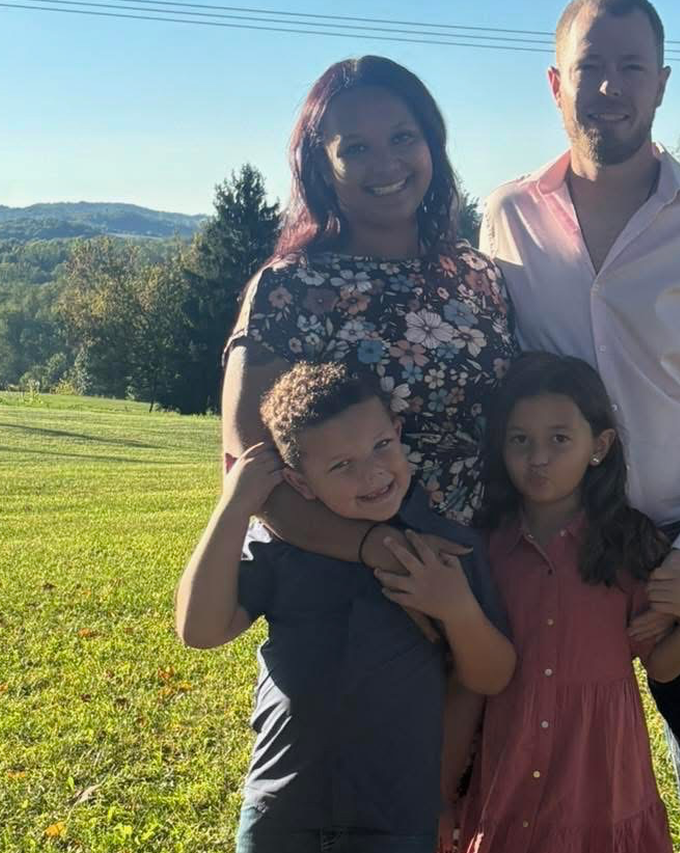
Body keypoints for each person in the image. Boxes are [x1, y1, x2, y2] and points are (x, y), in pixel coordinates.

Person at [479, 0, 680, 853]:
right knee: (546, 790)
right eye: (590, 68)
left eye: (630, 67)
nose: (609, 87)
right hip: (558, 554)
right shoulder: (508, 216)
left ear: (662, 83)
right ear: (555, 83)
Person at [176, 362, 515, 852]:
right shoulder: (282, 545)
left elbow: (491, 677)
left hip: (396, 817)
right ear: (300, 484)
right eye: (341, 465)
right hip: (282, 807)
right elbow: (200, 630)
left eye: (381, 445)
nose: (372, 472)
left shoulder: (444, 547)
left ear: (398, 431)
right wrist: (234, 506)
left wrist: (457, 608)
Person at [220, 55, 517, 596]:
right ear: (321, 167)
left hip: (484, 575)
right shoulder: (290, 287)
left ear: (432, 145)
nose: (386, 164)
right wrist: (377, 549)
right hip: (350, 586)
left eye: (403, 138)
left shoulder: (479, 276)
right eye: (355, 148)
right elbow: (252, 467)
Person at [433, 352, 680, 852]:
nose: (538, 458)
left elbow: (662, 665)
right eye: (520, 440)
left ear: (599, 446)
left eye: (559, 439)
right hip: (506, 765)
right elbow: (465, 680)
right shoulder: (485, 547)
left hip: (598, 776)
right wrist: (441, 792)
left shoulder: (628, 545)